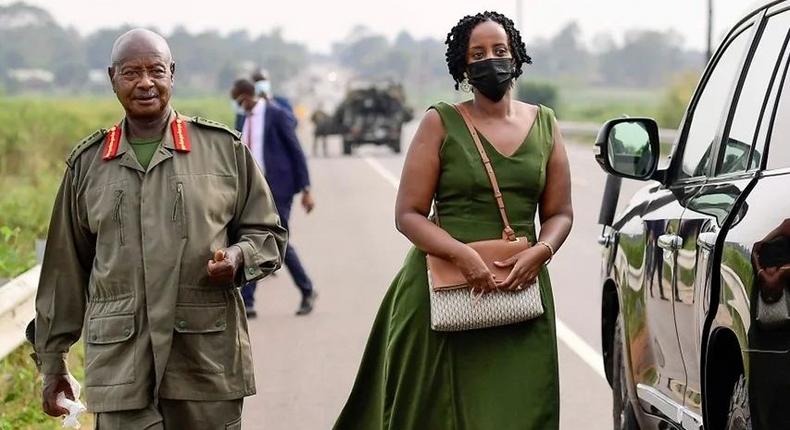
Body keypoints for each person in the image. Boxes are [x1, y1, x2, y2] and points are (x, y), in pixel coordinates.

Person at [32, 29, 287, 429]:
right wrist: (53, 364)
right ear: (112, 77)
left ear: (172, 73)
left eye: (155, 71)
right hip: (120, 372)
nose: (145, 83)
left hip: (205, 366)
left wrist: (238, 258)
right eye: (132, 73)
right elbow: (64, 272)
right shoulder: (87, 165)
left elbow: (268, 234)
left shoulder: (223, 149)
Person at [334, 11, 573, 429]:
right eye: (477, 53)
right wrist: (462, 256)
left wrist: (542, 250)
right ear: (463, 67)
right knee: (430, 415)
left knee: (523, 413)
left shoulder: (545, 125)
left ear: (516, 56)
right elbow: (407, 214)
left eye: (500, 50)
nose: (490, 60)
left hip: (521, 295)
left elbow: (560, 213)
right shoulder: (439, 122)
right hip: (439, 292)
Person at [231, 79, 317, 316]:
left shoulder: (276, 115)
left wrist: (306, 189)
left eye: (240, 101)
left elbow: (295, 150)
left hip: (280, 188)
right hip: (253, 190)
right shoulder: (242, 119)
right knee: (254, 238)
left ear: (250, 95)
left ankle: (306, 290)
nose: (239, 106)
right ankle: (248, 301)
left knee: (276, 241)